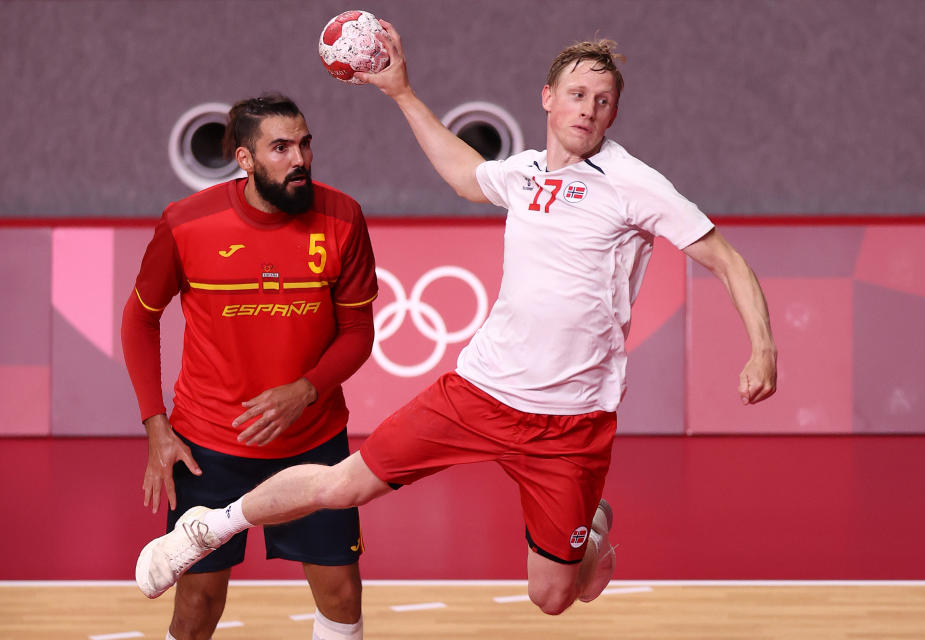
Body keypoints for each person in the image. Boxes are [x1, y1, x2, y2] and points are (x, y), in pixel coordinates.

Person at [135, 25, 777, 617]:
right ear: (548, 98)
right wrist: (403, 93)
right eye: (577, 94)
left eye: (604, 100)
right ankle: (211, 526)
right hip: (479, 392)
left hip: (571, 422)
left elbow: (725, 259)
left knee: (553, 597)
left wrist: (762, 350)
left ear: (615, 111)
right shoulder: (524, 173)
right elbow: (466, 175)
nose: (589, 109)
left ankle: (595, 524)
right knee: (346, 483)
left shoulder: (634, 183)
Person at [122, 93, 377, 640]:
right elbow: (138, 320)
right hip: (208, 447)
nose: (300, 158)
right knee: (198, 604)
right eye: (281, 147)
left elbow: (358, 333)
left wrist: (306, 390)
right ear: (245, 158)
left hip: (314, 443)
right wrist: (155, 426)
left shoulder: (343, 217)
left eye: (305, 143)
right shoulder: (187, 223)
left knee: (342, 593)